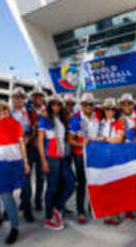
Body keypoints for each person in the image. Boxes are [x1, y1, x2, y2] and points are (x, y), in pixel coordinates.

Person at [0, 100, 30, 245]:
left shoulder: (16, 124)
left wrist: (25, 161)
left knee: (6, 196)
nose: (2, 112)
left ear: (8, 110)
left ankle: (14, 227)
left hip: (10, 164)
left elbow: (22, 143)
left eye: (4, 109)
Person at [38, 95, 75, 230]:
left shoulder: (61, 118)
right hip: (51, 158)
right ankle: (48, 218)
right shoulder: (44, 119)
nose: (56, 106)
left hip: (62, 157)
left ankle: (56, 207)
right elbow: (40, 142)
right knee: (52, 188)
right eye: (53, 104)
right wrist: (43, 160)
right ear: (49, 105)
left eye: (58, 104)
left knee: (71, 183)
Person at [68, 92, 100, 224]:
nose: (88, 106)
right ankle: (80, 211)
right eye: (85, 104)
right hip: (80, 154)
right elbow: (69, 140)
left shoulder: (97, 115)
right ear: (81, 105)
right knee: (81, 183)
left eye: (90, 104)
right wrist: (82, 144)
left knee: (94, 180)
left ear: (93, 106)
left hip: (95, 153)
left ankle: (91, 207)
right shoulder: (75, 118)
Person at [10, 87, 37, 222]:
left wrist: (29, 138)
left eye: (21, 97)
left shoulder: (29, 112)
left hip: (27, 149)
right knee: (9, 181)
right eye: (16, 97)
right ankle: (7, 210)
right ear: (12, 98)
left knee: (26, 181)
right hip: (11, 150)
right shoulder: (7, 111)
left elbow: (34, 130)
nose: (19, 99)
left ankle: (27, 209)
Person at [97, 98, 125, 225]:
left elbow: (119, 139)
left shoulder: (118, 123)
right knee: (105, 185)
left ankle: (115, 214)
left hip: (114, 157)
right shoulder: (100, 122)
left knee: (115, 186)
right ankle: (108, 212)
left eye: (112, 109)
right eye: (107, 109)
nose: (109, 111)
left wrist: (103, 138)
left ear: (115, 111)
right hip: (102, 157)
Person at [25, 86, 46, 211]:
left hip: (42, 148)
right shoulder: (26, 109)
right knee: (26, 176)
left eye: (40, 95)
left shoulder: (46, 109)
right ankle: (25, 200)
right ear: (32, 97)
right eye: (35, 95)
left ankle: (38, 200)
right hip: (29, 147)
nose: (38, 98)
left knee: (40, 177)